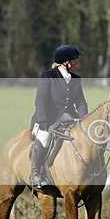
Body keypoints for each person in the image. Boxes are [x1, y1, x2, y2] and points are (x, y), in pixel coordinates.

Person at [29, 44, 89, 188]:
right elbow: (40, 101)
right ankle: (35, 174)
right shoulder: (48, 76)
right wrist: (43, 120)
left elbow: (81, 102)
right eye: (75, 60)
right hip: (48, 120)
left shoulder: (75, 79)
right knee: (44, 138)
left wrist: (84, 120)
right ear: (65, 62)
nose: (77, 63)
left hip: (69, 119)